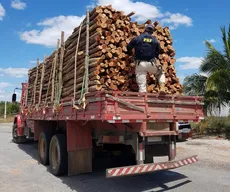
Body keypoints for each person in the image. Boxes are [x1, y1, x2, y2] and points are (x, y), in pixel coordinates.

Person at [127, 24, 166, 93]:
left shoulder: (138, 38)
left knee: (142, 86)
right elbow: (158, 52)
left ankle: (143, 99)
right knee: (161, 72)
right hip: (151, 63)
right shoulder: (155, 40)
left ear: (145, 30)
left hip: (140, 64)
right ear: (152, 32)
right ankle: (162, 86)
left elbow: (128, 47)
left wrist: (132, 53)